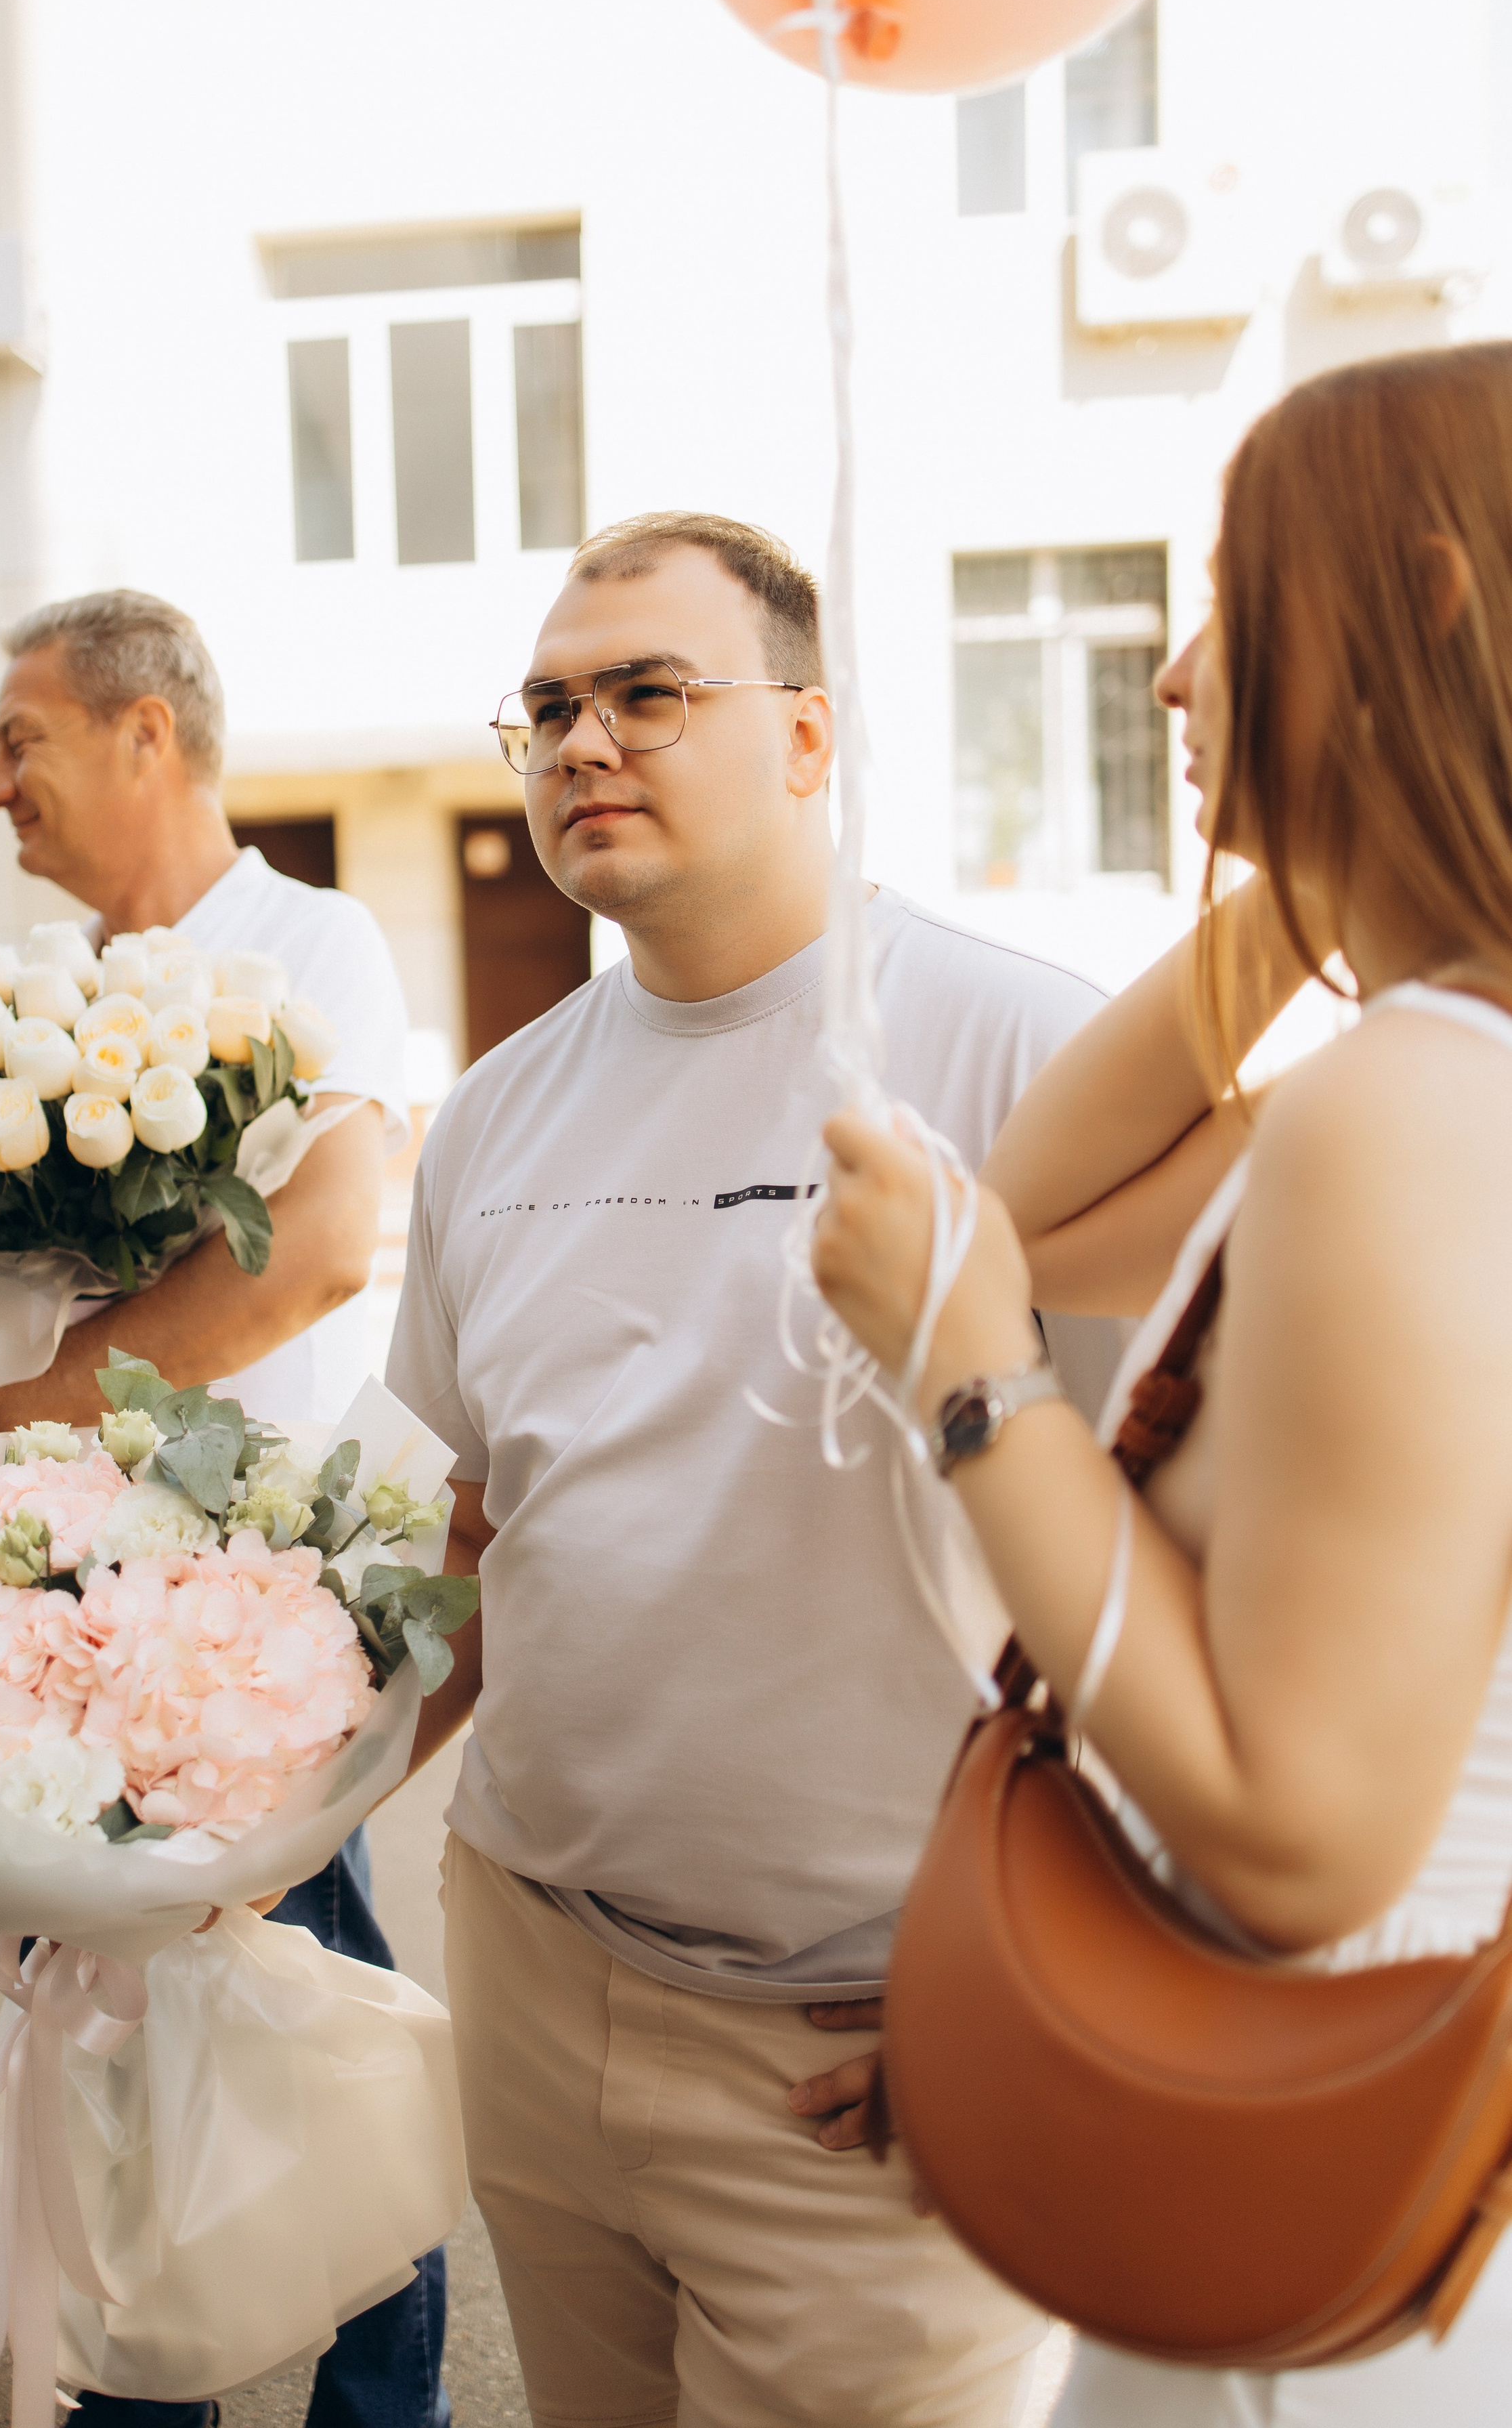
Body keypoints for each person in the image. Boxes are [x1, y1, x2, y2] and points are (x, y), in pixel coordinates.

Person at [811, 343, 1512, 2425]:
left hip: (1315, 2236)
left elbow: (1301, 1837)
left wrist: (969, 1385)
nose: (1172, 676)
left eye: (1238, 596)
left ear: (1432, 612)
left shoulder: (1405, 1113)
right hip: (1369, 2147)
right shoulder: (1431, 1082)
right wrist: (1359, 822)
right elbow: (1024, 1208)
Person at [386, 511, 1121, 2428]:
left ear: (809, 737)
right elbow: (489, 1532)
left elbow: (1190, 1539)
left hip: (865, 2057)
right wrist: (243, 1821)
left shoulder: (1020, 1053)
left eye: (650, 691)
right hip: (538, 1988)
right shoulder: (490, 1114)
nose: (581, 743)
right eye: (546, 707)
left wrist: (1041, 1988)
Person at [0, 590, 449, 2428]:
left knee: (313, 2022)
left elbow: (323, 1248)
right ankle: (122, 2399)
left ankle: (379, 2406)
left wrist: (22, 1406)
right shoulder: (22, 999)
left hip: (233, 1623)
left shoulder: (309, 944)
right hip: (27, 1617)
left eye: (20, 739)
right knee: (85, 2054)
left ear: (145, 736)